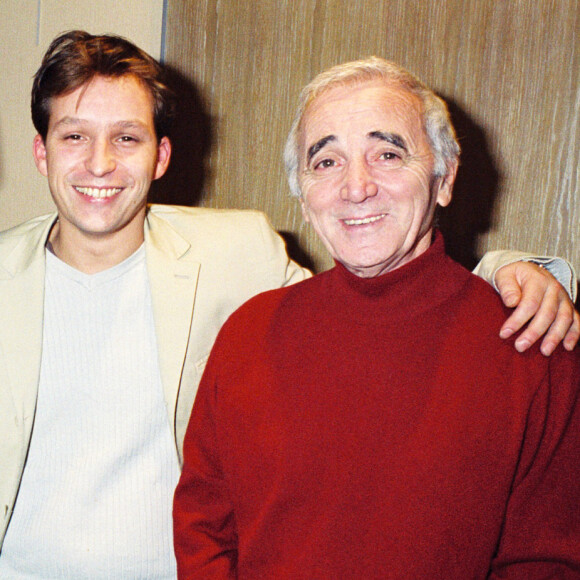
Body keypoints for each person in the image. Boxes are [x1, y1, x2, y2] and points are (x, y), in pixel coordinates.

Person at [0, 31, 575, 578]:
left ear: (162, 155)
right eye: (74, 136)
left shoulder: (237, 253)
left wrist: (514, 274)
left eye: (127, 137)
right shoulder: (7, 276)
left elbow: (391, 298)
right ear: (41, 152)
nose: (100, 163)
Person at [173, 57, 580, 578]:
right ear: (302, 194)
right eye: (326, 162)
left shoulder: (531, 343)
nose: (356, 186)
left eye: (388, 154)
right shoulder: (249, 334)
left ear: (445, 177)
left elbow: (548, 562)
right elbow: (203, 527)